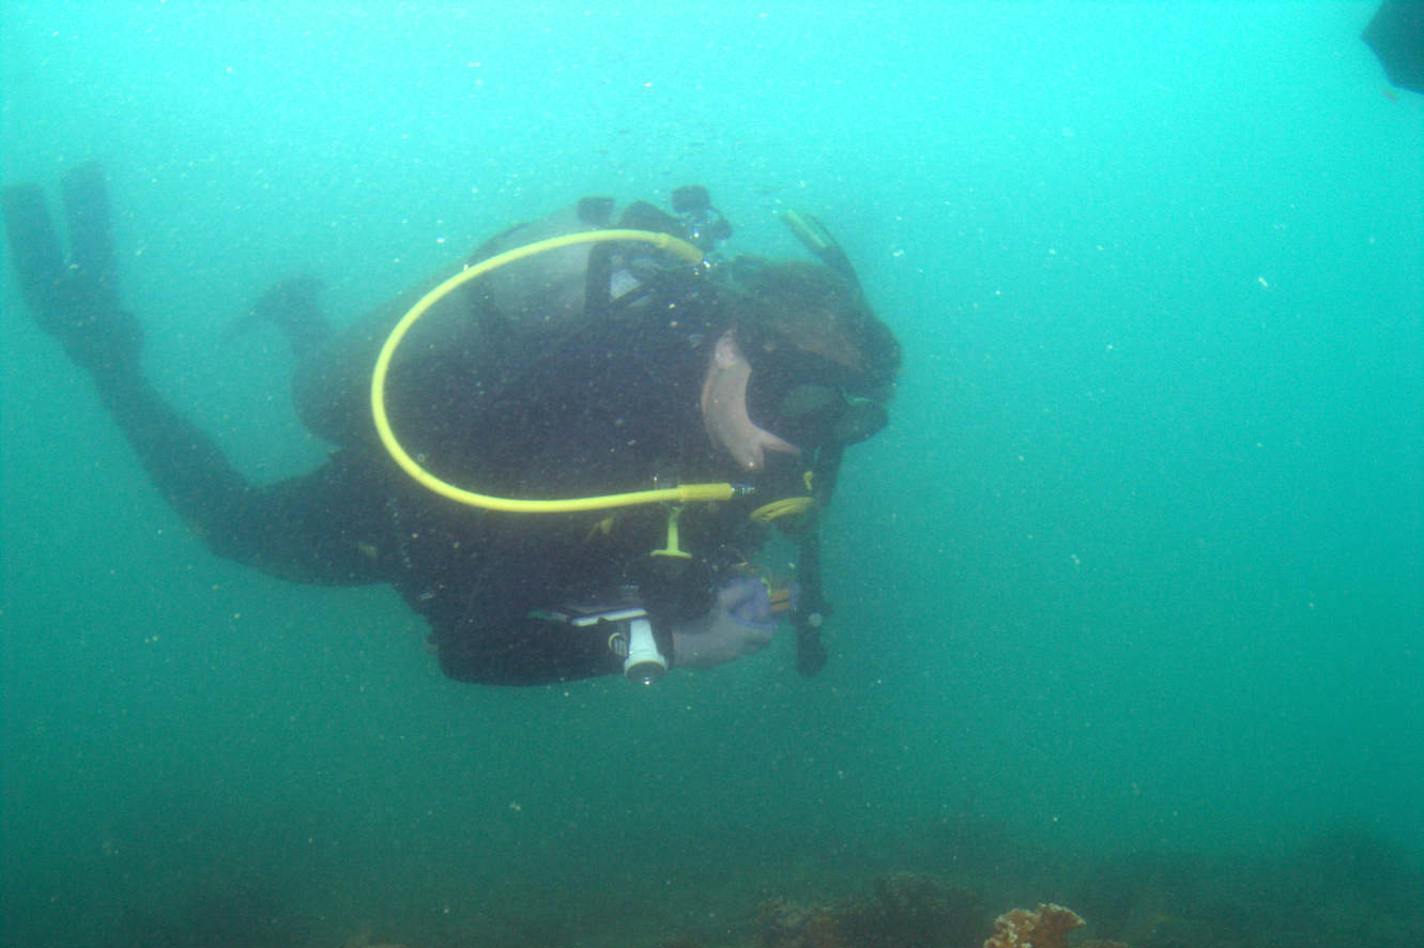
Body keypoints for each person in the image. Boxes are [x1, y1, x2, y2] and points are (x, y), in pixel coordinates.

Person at [2, 172, 899, 687]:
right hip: (393, 510)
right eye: (793, 404)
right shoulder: (608, 429)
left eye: (833, 425)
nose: (800, 444)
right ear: (731, 348)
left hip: (466, 450)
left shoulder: (717, 419)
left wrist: (718, 579)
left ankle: (300, 315)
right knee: (230, 528)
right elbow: (472, 647)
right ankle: (102, 351)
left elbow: (654, 539)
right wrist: (670, 642)